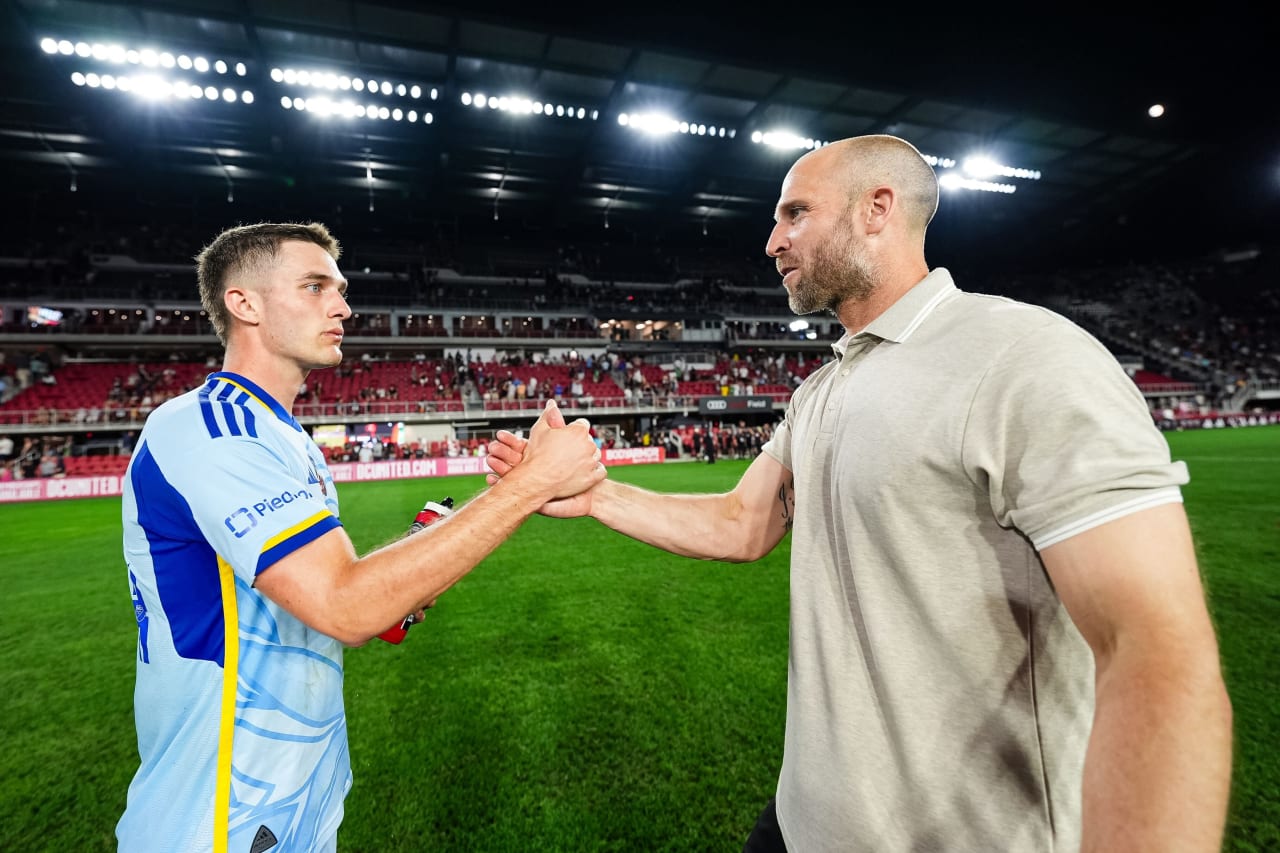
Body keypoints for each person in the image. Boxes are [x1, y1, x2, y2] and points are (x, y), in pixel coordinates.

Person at [485, 135, 1233, 851]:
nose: (771, 241)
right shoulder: (819, 389)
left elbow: (1156, 650)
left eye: (794, 213)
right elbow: (742, 522)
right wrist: (595, 494)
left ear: (878, 208)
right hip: (801, 821)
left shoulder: (1026, 358)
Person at [117, 222, 605, 852]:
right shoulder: (210, 428)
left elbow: (337, 602)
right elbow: (348, 605)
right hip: (217, 817)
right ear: (244, 304)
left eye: (341, 289)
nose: (343, 306)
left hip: (293, 798)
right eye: (315, 286)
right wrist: (531, 484)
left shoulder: (285, 437)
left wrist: (409, 581)